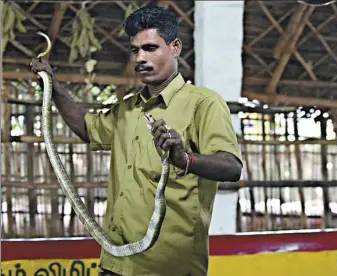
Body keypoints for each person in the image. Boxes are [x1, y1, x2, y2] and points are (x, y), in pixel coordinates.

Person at [31, 5, 242, 276]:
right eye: (135, 50)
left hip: (169, 268)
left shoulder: (204, 103)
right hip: (115, 263)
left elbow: (231, 167)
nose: (140, 58)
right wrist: (53, 86)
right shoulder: (127, 109)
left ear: (175, 47)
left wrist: (184, 159)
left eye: (151, 48)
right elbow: (87, 127)